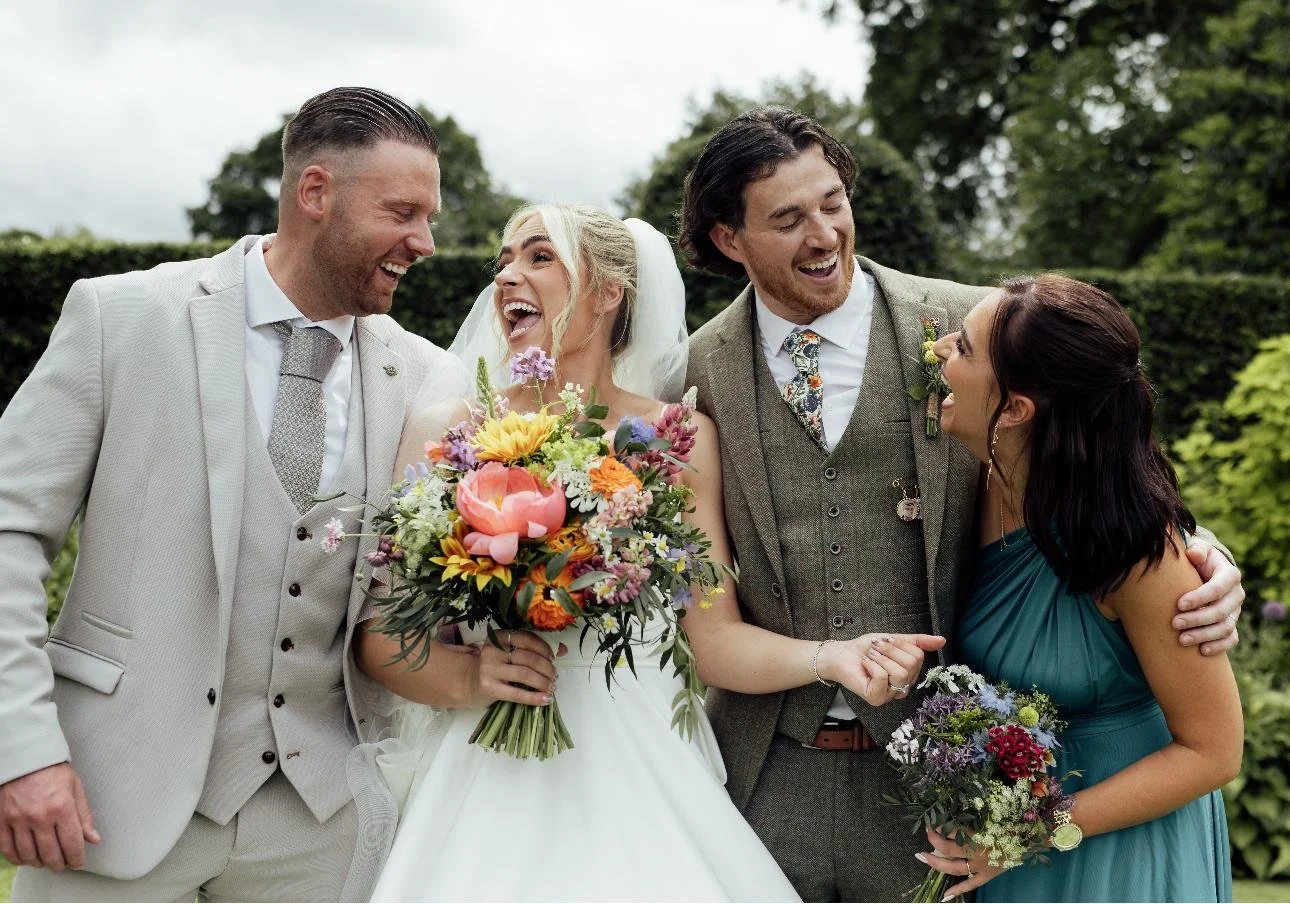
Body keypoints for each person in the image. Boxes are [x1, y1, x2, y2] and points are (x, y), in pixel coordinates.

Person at [677, 106, 1246, 901]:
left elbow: (1103, 455)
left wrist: (1203, 556)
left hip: (942, 784)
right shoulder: (695, 367)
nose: (824, 236)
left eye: (833, 203)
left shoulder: (971, 327)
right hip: (766, 775)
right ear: (728, 238)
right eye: (787, 218)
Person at [351, 203, 940, 902]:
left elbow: (712, 642)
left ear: (608, 293)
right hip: (484, 767)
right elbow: (382, 642)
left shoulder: (675, 437)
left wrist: (830, 658)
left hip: (642, 761)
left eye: (540, 257)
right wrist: (472, 676)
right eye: (504, 260)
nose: (509, 274)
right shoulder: (447, 431)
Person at [0, 86, 468, 901]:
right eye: (401, 212)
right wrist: (23, 750)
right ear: (314, 192)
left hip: (323, 823)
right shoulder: (124, 317)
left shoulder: (422, 376)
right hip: (109, 799)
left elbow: (406, 596)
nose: (423, 242)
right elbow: (9, 533)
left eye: (429, 217)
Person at [918, 275, 1239, 901]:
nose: (937, 353)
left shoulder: (1137, 553)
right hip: (1010, 837)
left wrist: (1029, 829)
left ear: (1014, 410)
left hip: (1120, 846)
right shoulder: (973, 483)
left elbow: (1214, 751)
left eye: (962, 349)